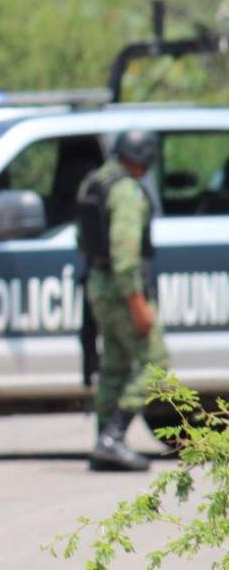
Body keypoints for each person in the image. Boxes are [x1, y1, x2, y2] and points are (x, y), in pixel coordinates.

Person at [76, 129, 169, 472]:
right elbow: (126, 252)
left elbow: (83, 240)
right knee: (155, 363)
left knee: (114, 364)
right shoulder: (127, 191)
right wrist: (136, 301)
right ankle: (113, 437)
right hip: (121, 288)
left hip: (98, 283)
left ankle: (104, 442)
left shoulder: (95, 183)